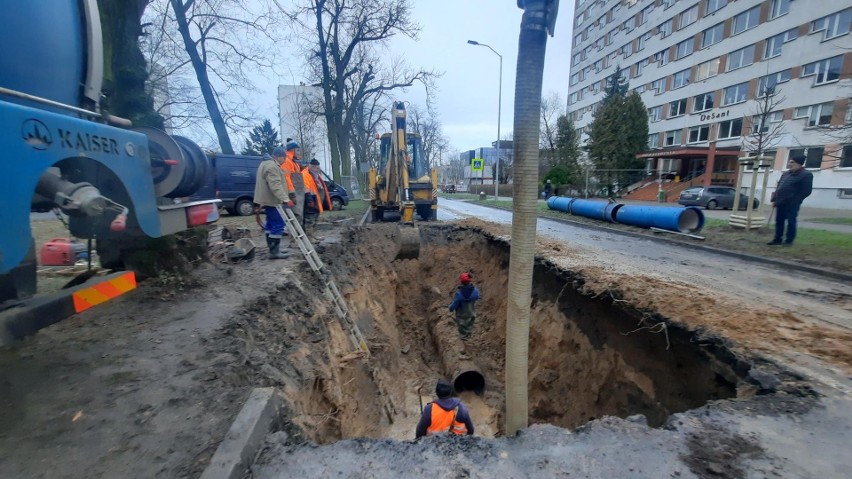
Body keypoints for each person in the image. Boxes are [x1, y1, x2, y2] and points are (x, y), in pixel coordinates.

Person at [253, 150, 294, 259]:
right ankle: (274, 252)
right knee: (278, 224)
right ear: (278, 157)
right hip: (273, 201)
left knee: (270, 224)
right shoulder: (272, 166)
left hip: (268, 200)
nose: (284, 160)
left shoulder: (265, 164)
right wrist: (286, 199)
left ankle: (273, 249)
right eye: (283, 158)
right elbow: (275, 185)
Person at [769, 155, 813, 246]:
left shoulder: (806, 175)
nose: (789, 164)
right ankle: (777, 239)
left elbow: (806, 191)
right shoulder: (786, 174)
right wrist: (775, 199)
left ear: (799, 164)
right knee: (779, 221)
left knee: (791, 222)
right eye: (789, 162)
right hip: (780, 201)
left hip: (792, 204)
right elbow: (779, 187)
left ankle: (789, 241)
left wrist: (794, 200)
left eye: (792, 162)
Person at [301, 159, 333, 241]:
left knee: (315, 219)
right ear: (313, 167)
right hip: (309, 200)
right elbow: (306, 188)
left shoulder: (314, 175)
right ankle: (309, 238)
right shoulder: (305, 174)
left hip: (315, 200)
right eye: (317, 168)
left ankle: (313, 235)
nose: (318, 170)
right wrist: (309, 200)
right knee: (309, 220)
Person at [279, 141, 304, 236]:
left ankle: (296, 236)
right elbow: (287, 178)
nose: (299, 152)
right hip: (292, 194)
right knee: (295, 216)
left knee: (298, 215)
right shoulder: (287, 161)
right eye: (297, 150)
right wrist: (292, 194)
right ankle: (294, 238)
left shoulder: (294, 162)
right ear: (293, 150)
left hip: (297, 194)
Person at [449, 272, 480, 340]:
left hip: (461, 315)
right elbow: (477, 297)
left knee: (462, 326)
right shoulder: (475, 291)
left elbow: (454, 304)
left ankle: (463, 339)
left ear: (461, 282)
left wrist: (450, 308)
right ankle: (468, 337)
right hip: (471, 313)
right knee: (469, 325)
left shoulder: (459, 293)